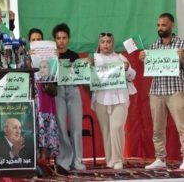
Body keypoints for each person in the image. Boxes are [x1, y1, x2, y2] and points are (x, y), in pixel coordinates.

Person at [139, 13, 184, 170]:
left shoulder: (181, 44)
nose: (160, 28)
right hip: (157, 91)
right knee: (157, 128)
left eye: (164, 25)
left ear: (173, 26)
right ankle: (160, 158)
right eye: (158, 25)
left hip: (176, 90)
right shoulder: (153, 46)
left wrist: (183, 58)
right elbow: (152, 69)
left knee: (182, 126)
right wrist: (144, 59)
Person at [90, 32, 136, 170]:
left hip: (119, 98)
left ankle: (118, 160)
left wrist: (127, 68)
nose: (105, 44)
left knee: (116, 128)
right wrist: (88, 67)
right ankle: (111, 160)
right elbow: (86, 78)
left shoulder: (120, 57)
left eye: (108, 41)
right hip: (101, 99)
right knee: (106, 131)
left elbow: (132, 76)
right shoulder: (94, 59)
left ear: (113, 43)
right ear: (99, 43)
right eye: (103, 41)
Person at [52, 23, 86, 171]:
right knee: (60, 126)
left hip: (73, 91)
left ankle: (78, 160)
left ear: (68, 39)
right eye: (58, 38)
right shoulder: (51, 56)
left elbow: (79, 75)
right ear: (54, 39)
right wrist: (54, 59)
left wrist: (85, 65)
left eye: (64, 38)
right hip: (57, 91)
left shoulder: (74, 55)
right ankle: (64, 160)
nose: (61, 41)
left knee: (77, 126)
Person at [28, 28, 60, 165]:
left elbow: (56, 74)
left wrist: (56, 57)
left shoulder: (51, 55)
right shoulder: (25, 55)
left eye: (38, 39)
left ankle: (45, 158)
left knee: (46, 124)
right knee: (35, 124)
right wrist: (28, 57)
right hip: (33, 94)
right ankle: (36, 159)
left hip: (46, 93)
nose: (36, 42)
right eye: (33, 40)